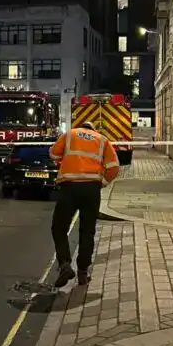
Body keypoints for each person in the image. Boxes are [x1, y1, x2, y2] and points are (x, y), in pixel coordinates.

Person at [49, 121, 120, 288]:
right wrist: (102, 182)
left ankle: (65, 264)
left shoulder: (70, 134)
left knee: (59, 227)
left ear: (81, 127)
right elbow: (114, 168)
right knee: (87, 231)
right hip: (91, 190)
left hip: (69, 188)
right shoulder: (102, 140)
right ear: (93, 129)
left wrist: (64, 158)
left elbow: (53, 154)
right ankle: (83, 272)